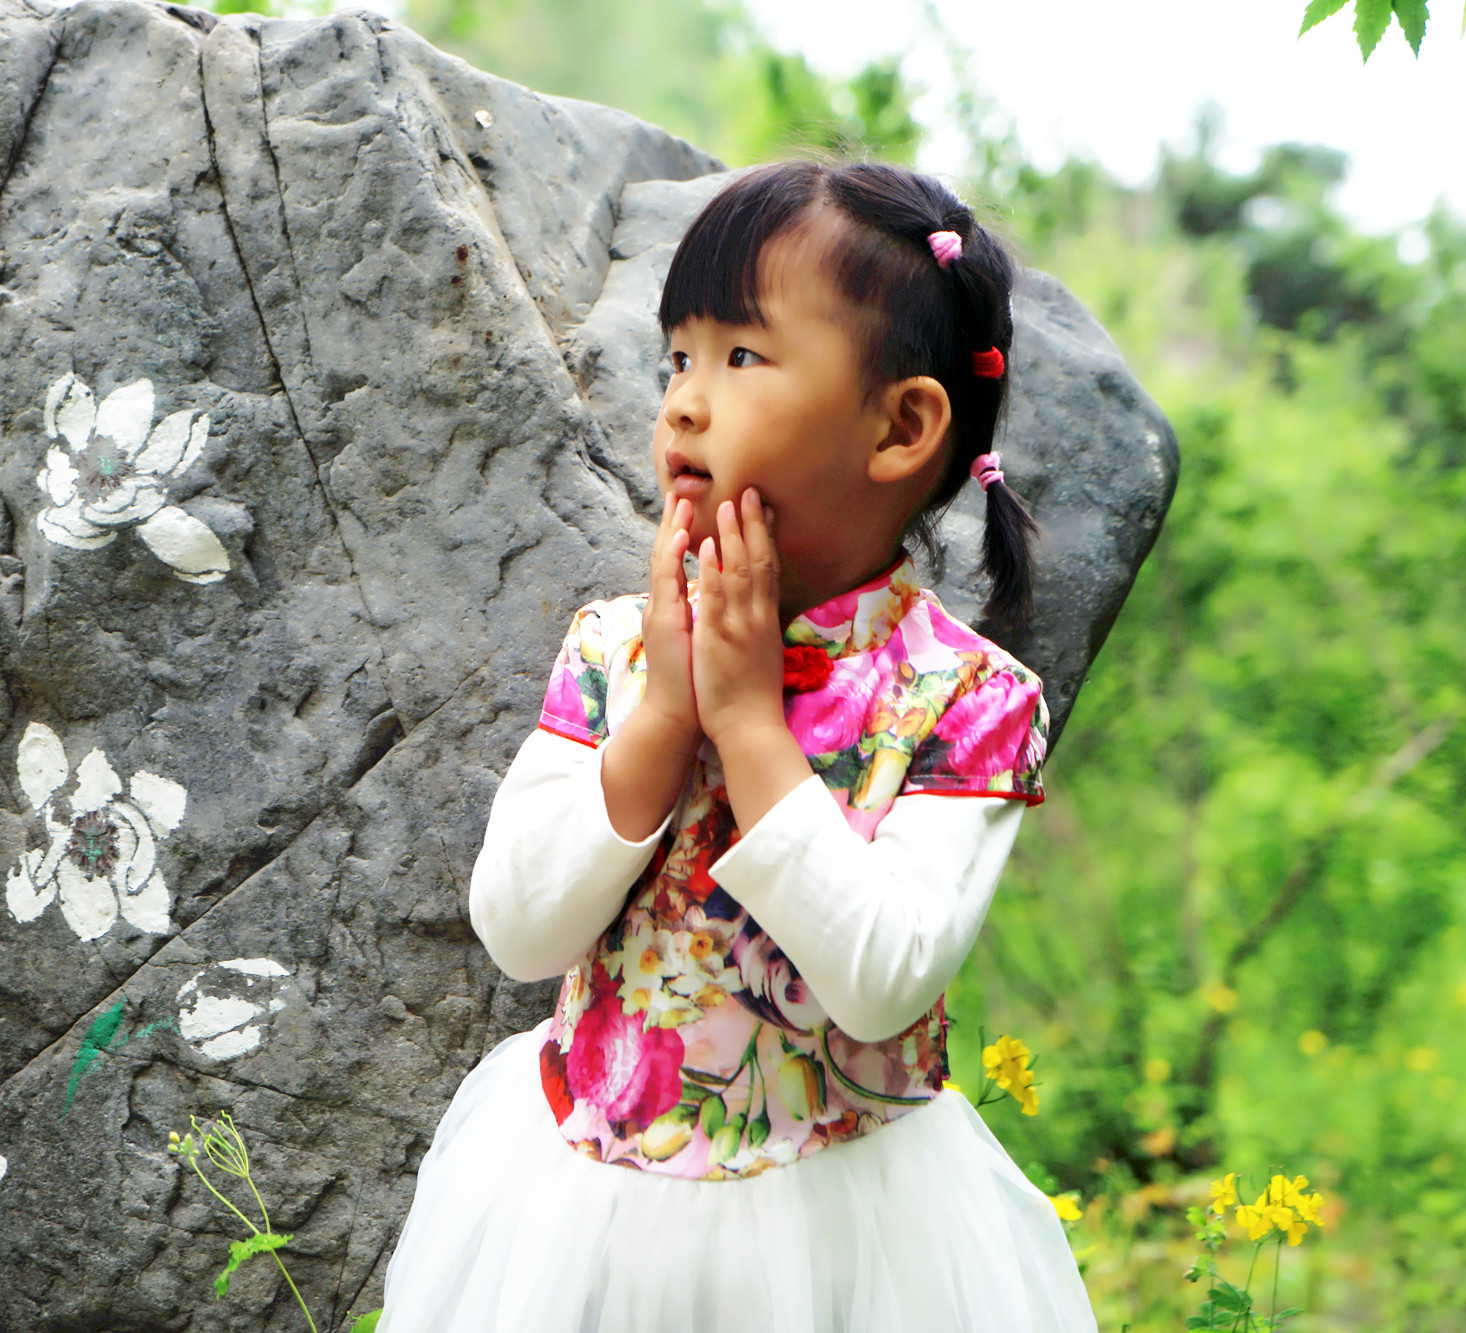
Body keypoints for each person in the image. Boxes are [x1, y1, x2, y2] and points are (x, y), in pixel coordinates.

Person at [378, 161, 1096, 1332]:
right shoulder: (616, 648)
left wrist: (753, 726)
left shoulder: (962, 699)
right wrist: (664, 712)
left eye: (740, 359)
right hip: (581, 1219)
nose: (681, 402)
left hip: (846, 1237)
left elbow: (878, 979)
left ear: (900, 425)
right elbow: (518, 929)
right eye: (677, 357)